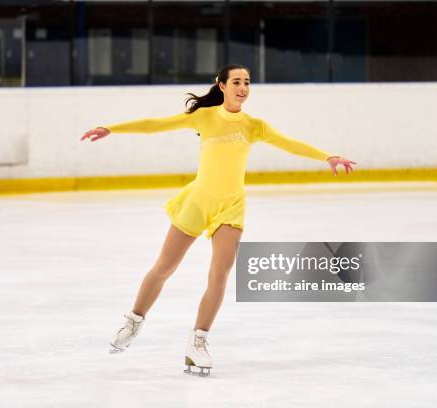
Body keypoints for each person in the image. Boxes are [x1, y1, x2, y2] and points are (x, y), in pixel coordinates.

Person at [80, 64, 356, 377]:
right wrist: (112, 128)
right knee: (164, 268)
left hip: (232, 206)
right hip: (198, 202)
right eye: (236, 81)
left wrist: (327, 156)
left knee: (220, 274)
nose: (242, 87)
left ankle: (198, 342)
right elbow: (156, 125)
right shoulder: (205, 116)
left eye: (247, 83)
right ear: (221, 85)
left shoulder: (254, 125)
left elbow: (289, 142)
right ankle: (133, 322)